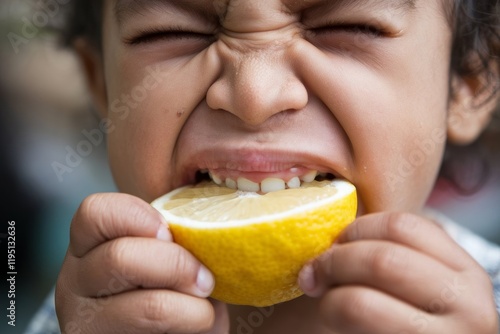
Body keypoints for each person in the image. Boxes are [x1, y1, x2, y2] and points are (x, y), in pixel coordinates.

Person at [26, 0, 500, 333]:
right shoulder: (85, 317)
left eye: (348, 27)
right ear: (103, 86)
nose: (254, 96)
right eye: (171, 32)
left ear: (467, 84)